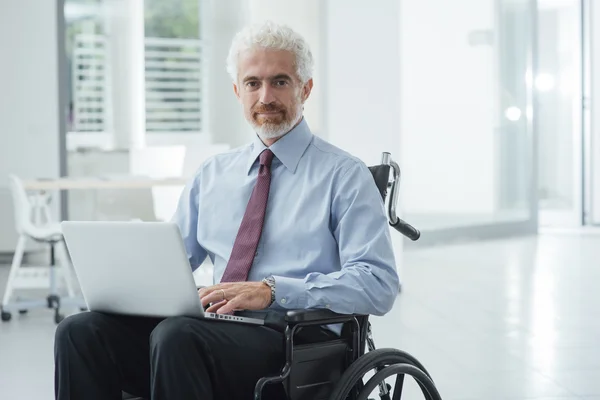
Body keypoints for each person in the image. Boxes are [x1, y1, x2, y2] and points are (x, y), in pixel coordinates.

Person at [54, 20, 399, 400]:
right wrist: (123, 286)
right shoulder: (213, 174)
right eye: (253, 83)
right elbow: (172, 263)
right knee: (81, 331)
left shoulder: (344, 176)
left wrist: (272, 291)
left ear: (306, 88)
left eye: (280, 81)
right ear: (238, 91)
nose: (265, 96)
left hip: (295, 345)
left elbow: (378, 284)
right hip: (212, 331)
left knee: (177, 336)